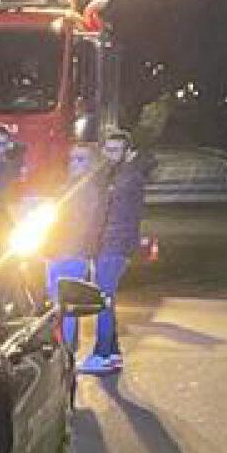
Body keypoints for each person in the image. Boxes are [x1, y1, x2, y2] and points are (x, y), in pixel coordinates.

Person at [79, 127, 146, 375]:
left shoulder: (126, 178)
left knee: (103, 299)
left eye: (116, 150)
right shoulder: (115, 174)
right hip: (109, 244)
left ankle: (101, 354)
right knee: (107, 298)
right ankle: (114, 352)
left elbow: (104, 211)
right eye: (107, 149)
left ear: (128, 153)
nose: (110, 154)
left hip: (115, 245)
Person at [44, 140, 102, 351]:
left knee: (65, 307)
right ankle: (64, 348)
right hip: (58, 251)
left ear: (91, 162)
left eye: (81, 158)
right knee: (57, 305)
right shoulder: (70, 186)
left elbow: (83, 224)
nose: (74, 163)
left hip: (72, 253)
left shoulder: (88, 190)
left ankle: (66, 350)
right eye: (72, 158)